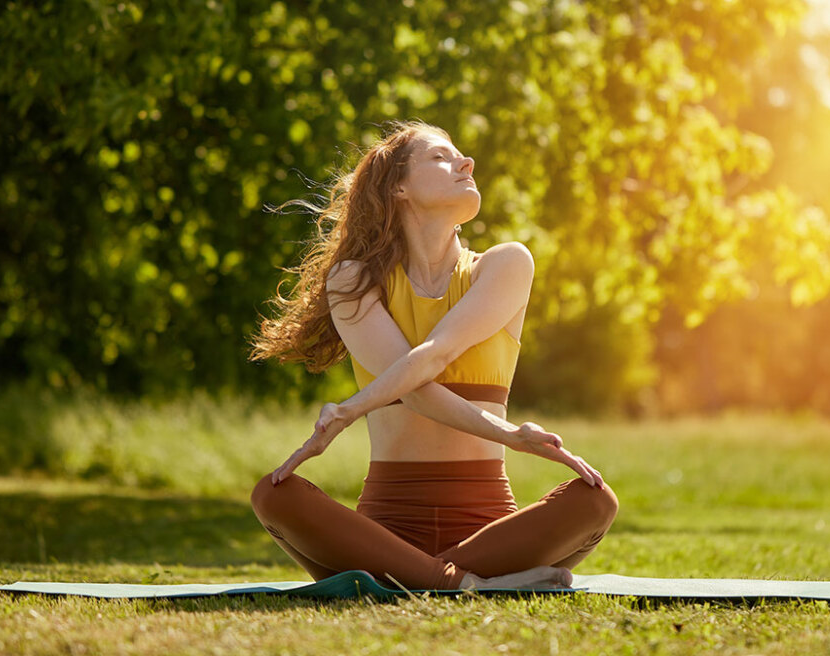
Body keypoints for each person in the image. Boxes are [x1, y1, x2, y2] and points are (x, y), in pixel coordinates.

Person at [248, 120, 618, 590]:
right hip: (385, 528)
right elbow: (417, 392)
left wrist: (348, 411)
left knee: (595, 501)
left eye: (460, 155)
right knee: (274, 495)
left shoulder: (504, 264)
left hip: (489, 529)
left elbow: (435, 354)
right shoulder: (354, 279)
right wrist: (512, 434)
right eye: (441, 157)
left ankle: (425, 578)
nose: (466, 163)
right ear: (398, 186)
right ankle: (471, 583)